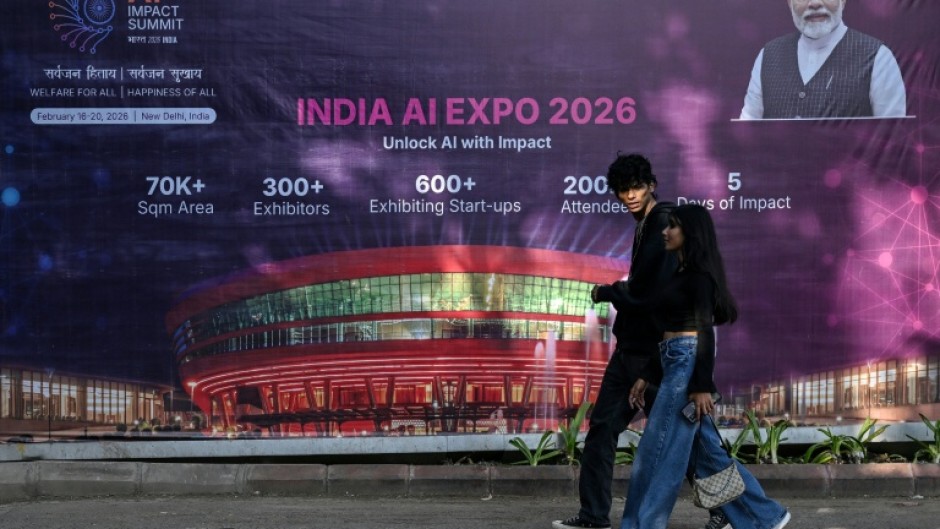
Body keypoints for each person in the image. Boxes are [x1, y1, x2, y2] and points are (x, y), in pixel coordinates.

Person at [553, 155, 725, 529]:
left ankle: (730, 509)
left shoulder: (663, 222)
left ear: (651, 185)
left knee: (695, 441)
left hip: (656, 354)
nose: (629, 195)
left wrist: (608, 291)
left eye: (636, 187)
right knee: (602, 429)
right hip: (632, 351)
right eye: (623, 190)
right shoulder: (648, 224)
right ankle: (594, 514)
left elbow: (652, 295)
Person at [619, 205, 790, 529]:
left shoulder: (699, 279)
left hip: (686, 372)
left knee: (656, 453)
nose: (666, 231)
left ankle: (642, 524)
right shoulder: (681, 275)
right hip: (673, 364)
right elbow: (670, 332)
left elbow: (702, 336)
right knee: (708, 455)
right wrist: (647, 376)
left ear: (691, 234)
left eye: (674, 227)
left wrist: (700, 386)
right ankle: (765, 516)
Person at [739, 0, 906, 120]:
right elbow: (748, 129)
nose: (814, 3)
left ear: (843, 2)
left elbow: (891, 143)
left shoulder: (878, 57)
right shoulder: (768, 56)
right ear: (789, 4)